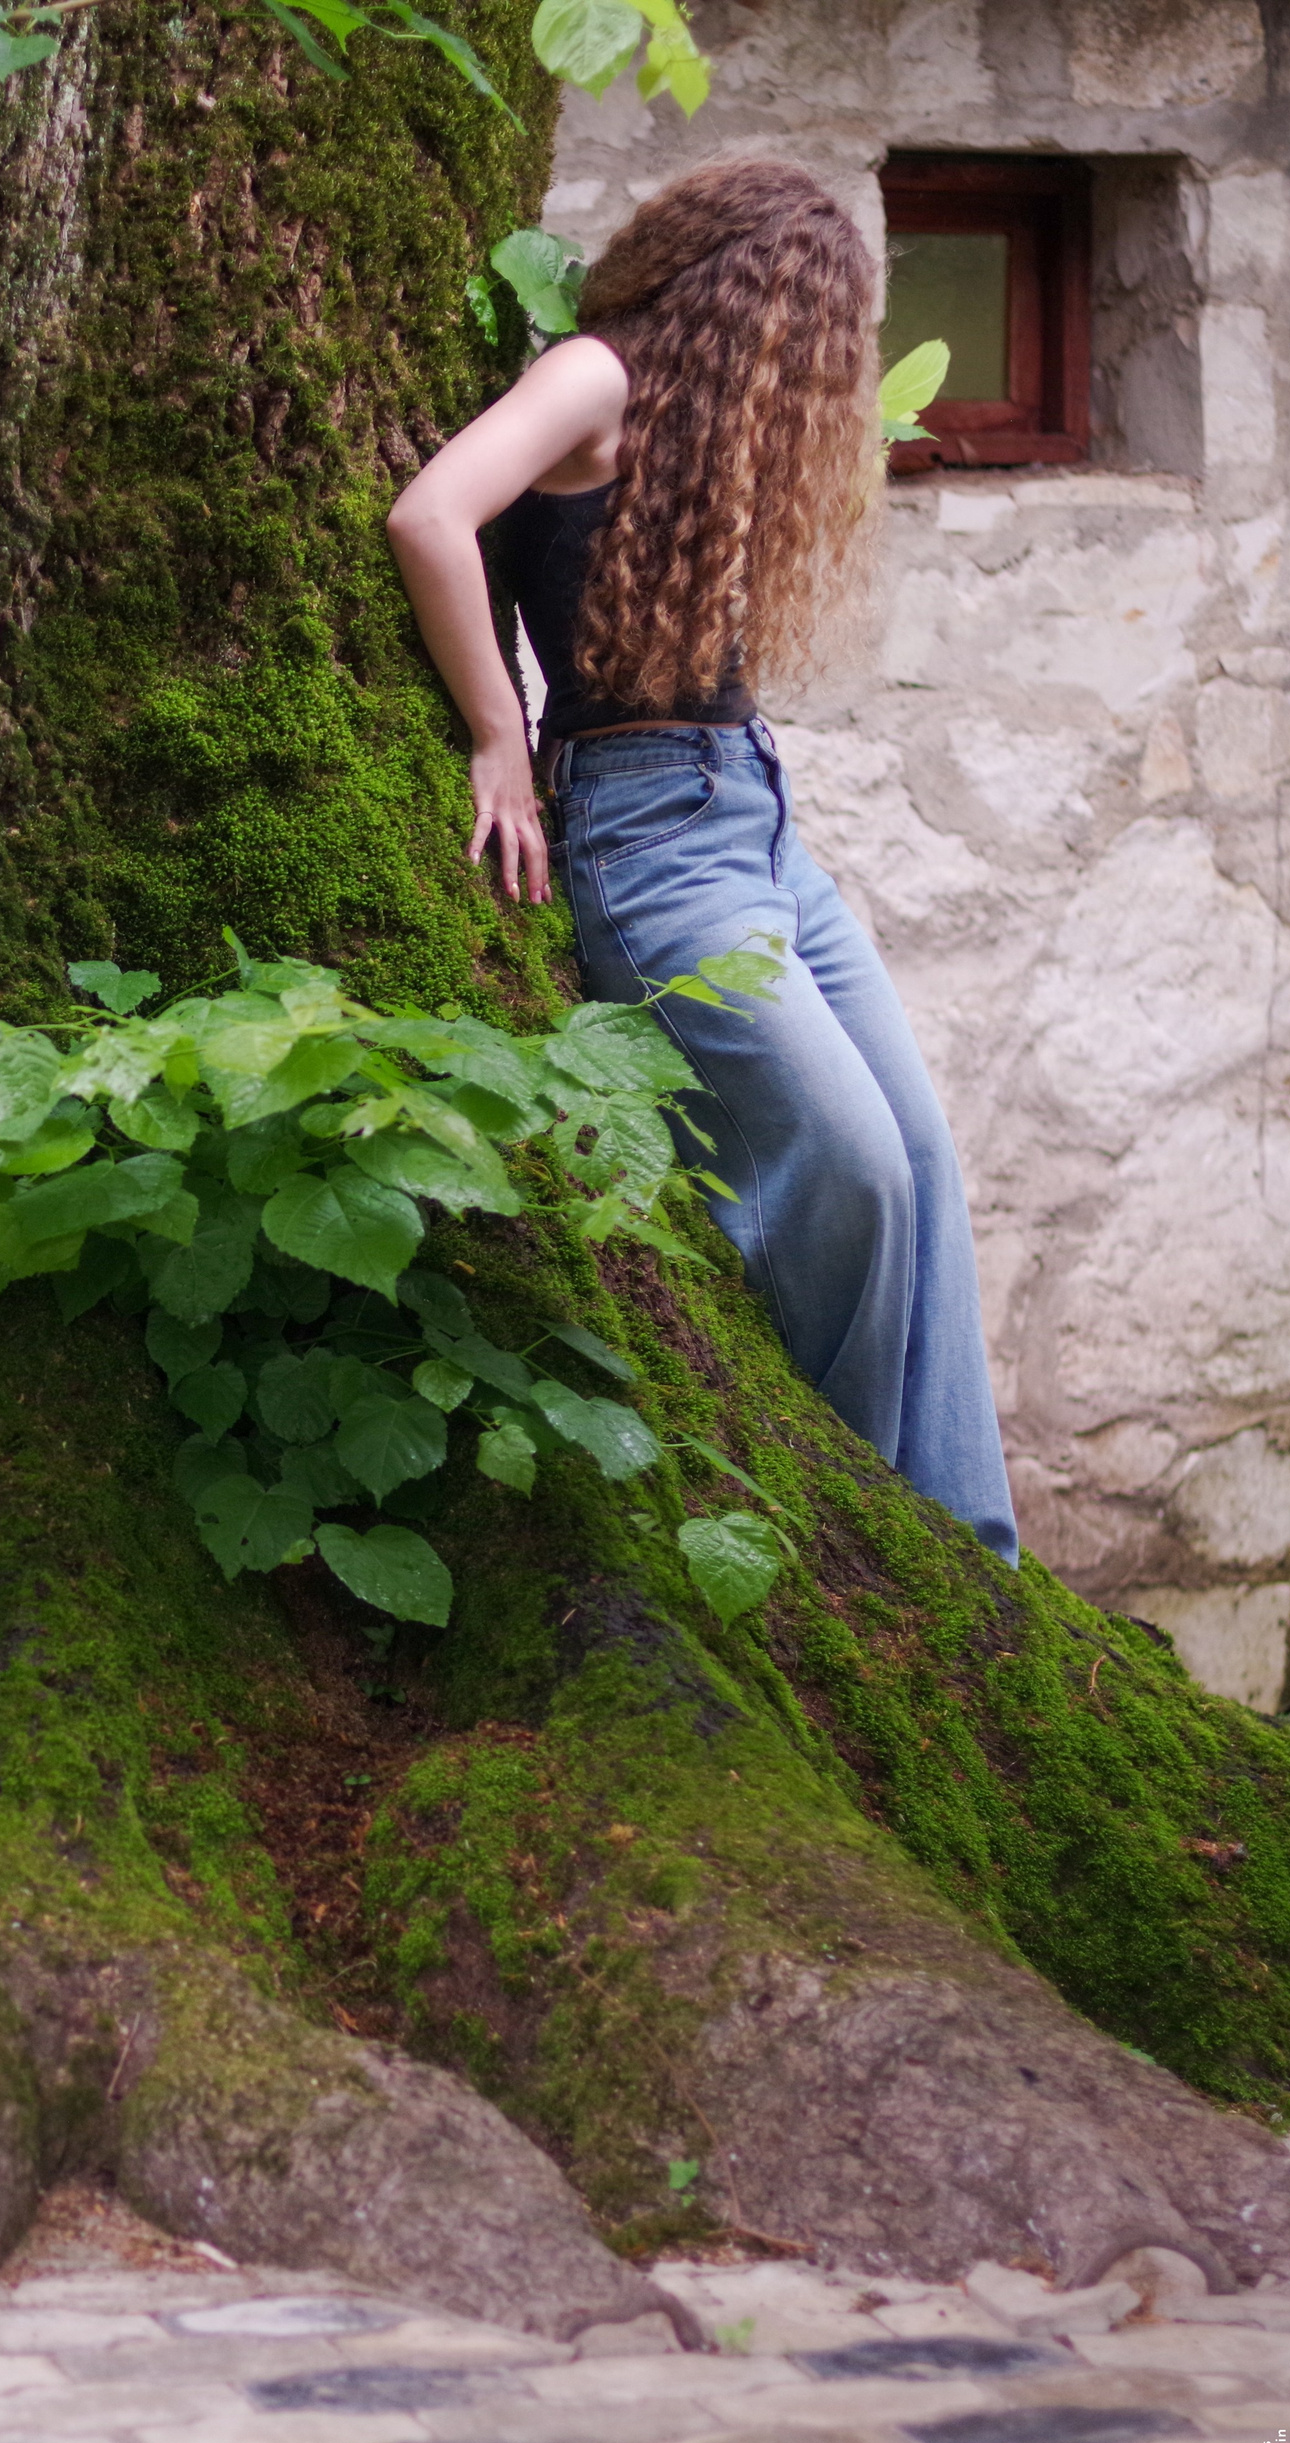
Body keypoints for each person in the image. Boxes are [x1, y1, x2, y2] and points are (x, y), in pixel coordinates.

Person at [385, 158, 1018, 1564]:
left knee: (920, 1155)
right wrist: (499, 736)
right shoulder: (594, 377)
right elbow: (430, 516)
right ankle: (868, 1529)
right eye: (808, 331)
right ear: (746, 301)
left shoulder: (701, 425)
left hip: (757, 821)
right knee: (849, 1166)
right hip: (645, 835)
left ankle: (970, 1551)